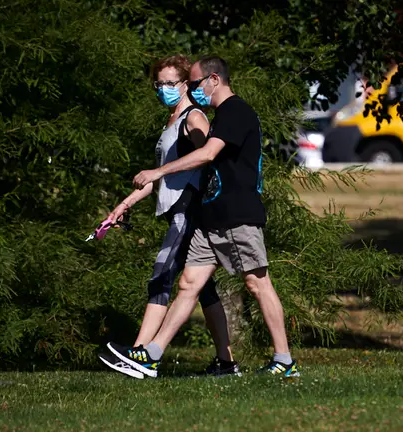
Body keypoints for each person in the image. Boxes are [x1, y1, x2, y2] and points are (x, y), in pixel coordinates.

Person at [108, 55, 299, 377]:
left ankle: (284, 361)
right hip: (213, 217)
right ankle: (151, 355)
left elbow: (208, 154)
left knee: (257, 283)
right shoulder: (222, 114)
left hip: (237, 214)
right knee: (189, 284)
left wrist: (159, 170)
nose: (192, 90)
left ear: (213, 79)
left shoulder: (237, 111)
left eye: (195, 84)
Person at [98, 54, 240, 379]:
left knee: (162, 274)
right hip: (177, 209)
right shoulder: (172, 120)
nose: (163, 89)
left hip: (188, 211)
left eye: (170, 83)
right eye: (158, 83)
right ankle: (227, 363)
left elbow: (207, 157)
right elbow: (159, 178)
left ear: (186, 84)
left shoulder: (193, 118)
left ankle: (138, 352)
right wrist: (124, 205)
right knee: (204, 290)